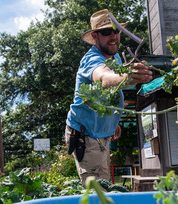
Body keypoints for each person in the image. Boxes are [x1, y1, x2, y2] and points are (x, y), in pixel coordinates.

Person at [65, 9, 153, 184]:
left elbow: (109, 93)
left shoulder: (115, 58)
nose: (113, 36)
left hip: (101, 134)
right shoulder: (91, 60)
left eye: (116, 30)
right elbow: (104, 78)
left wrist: (114, 121)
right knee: (98, 192)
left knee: (105, 182)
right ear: (95, 37)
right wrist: (126, 77)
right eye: (106, 32)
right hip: (86, 136)